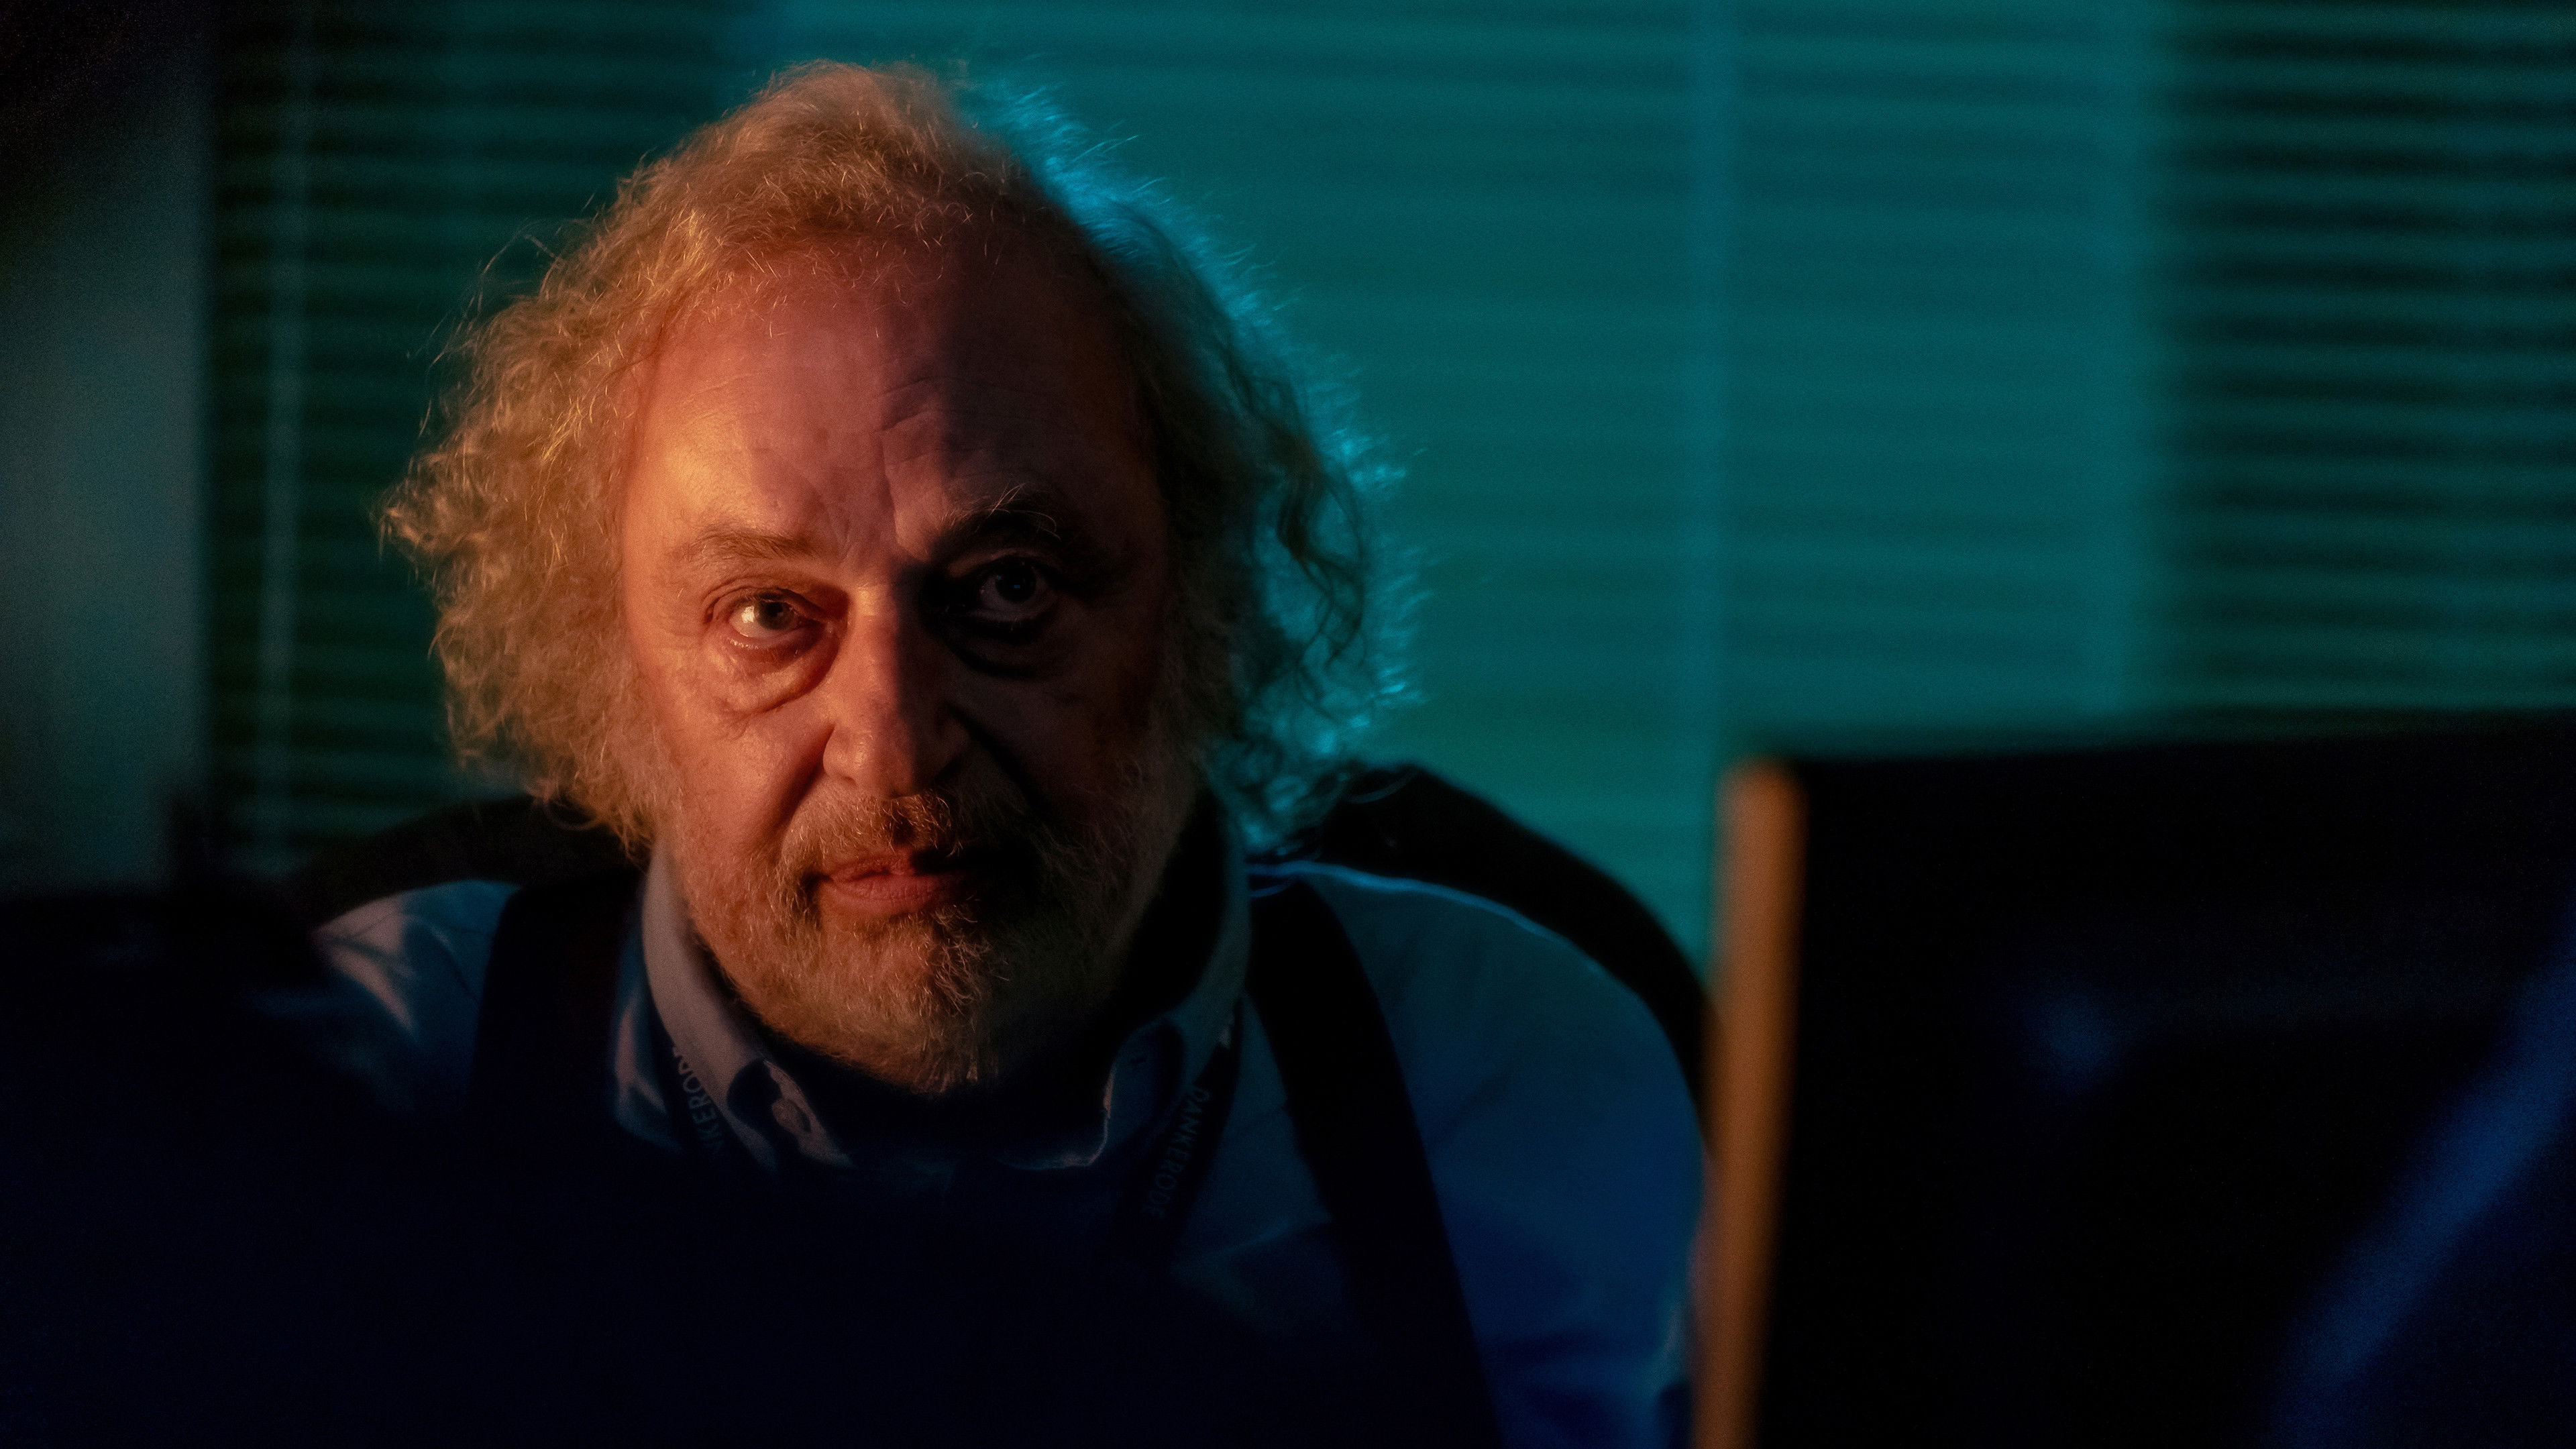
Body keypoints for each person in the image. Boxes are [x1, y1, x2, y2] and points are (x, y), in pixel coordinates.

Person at [309, 62, 1699, 1448]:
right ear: (617, 665)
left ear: (1208, 605)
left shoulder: (1513, 1087)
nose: (896, 751)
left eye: (1010, 588)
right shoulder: (367, 1076)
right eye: (769, 616)